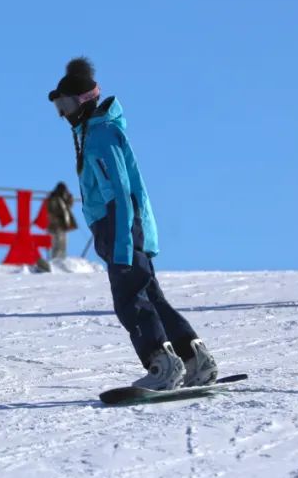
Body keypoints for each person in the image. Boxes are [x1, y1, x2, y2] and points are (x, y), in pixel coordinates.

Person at [48, 57, 217, 390]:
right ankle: (193, 357)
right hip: (121, 226)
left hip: (119, 226)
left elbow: (122, 193)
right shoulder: (96, 132)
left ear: (83, 102)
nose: (63, 114)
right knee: (150, 295)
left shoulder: (100, 136)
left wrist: (123, 241)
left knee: (130, 299)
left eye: (65, 104)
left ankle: (162, 364)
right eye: (58, 107)